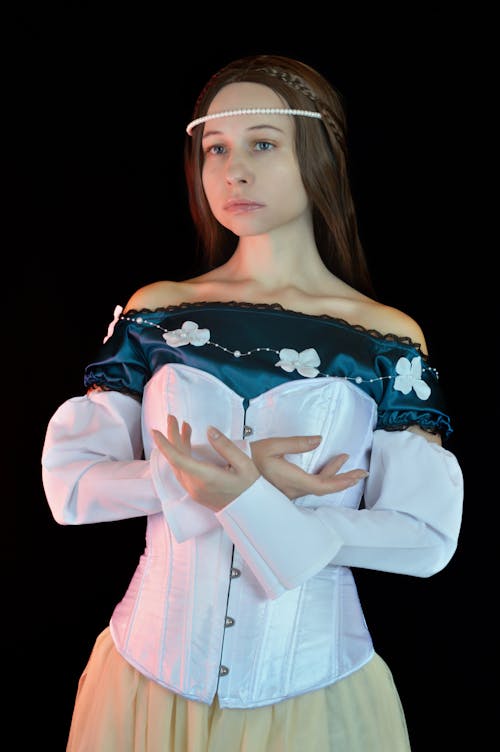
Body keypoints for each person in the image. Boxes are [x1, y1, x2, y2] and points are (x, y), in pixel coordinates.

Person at [41, 54, 464, 751]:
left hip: (316, 695)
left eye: (262, 144)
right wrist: (224, 475)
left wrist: (260, 501)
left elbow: (424, 536)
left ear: (318, 154)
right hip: (144, 686)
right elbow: (71, 485)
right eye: (216, 149)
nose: (233, 170)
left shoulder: (385, 339)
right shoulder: (157, 314)